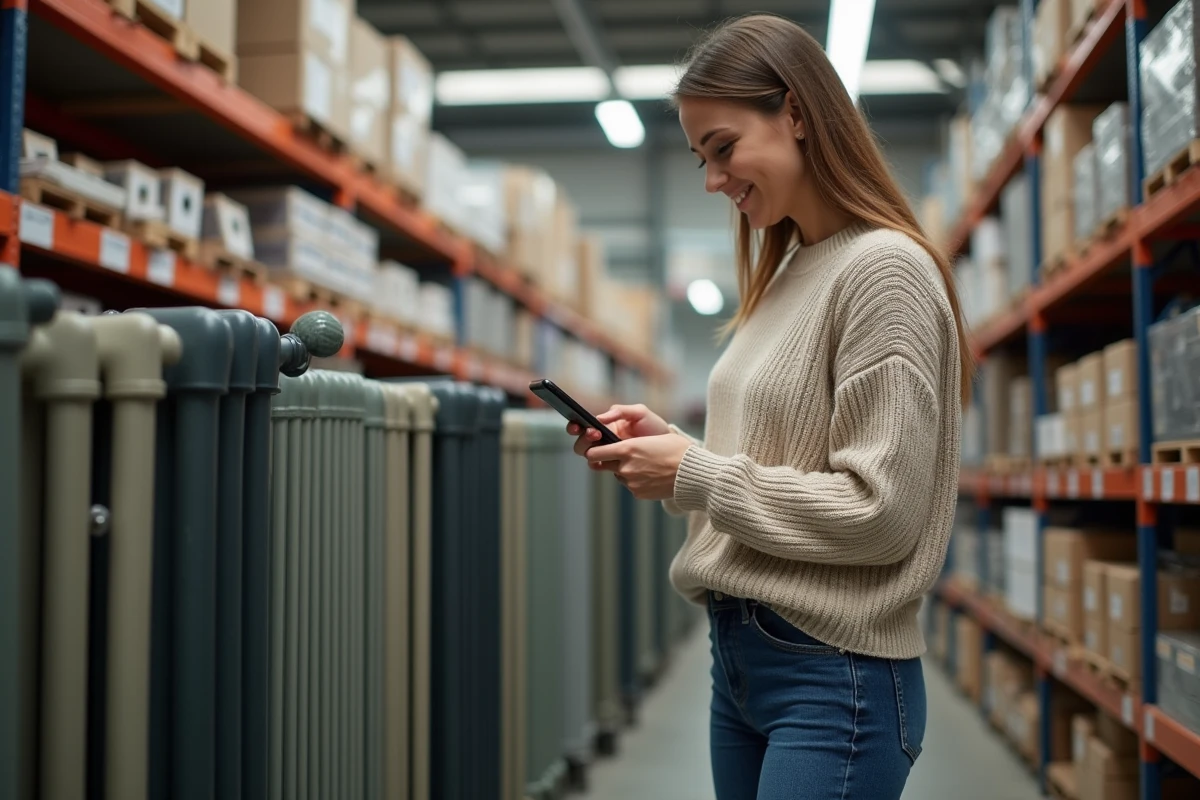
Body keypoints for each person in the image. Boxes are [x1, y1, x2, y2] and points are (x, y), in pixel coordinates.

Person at [566, 13, 970, 800]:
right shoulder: (789, 271)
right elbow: (774, 461)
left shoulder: (883, 271)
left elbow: (883, 512)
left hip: (833, 674)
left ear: (795, 112)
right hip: (742, 660)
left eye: (723, 147)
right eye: (700, 159)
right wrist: (675, 453)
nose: (713, 179)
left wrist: (699, 475)